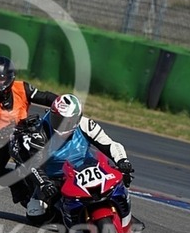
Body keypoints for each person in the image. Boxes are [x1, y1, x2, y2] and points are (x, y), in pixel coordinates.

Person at [10, 93, 134, 225]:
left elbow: (109, 144)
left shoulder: (85, 124)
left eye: (67, 121)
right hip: (55, 179)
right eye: (57, 119)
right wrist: (44, 183)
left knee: (120, 179)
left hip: (86, 170)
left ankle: (124, 213)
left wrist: (122, 161)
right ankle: (62, 218)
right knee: (35, 213)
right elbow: (33, 165)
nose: (61, 126)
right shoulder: (40, 133)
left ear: (77, 119)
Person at [0, 56, 57, 206]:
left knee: (31, 163)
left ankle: (46, 184)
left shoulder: (23, 88)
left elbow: (44, 97)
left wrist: (62, 102)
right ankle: (17, 185)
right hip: (1, 137)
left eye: (1, 78)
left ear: (10, 77)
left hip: (25, 134)